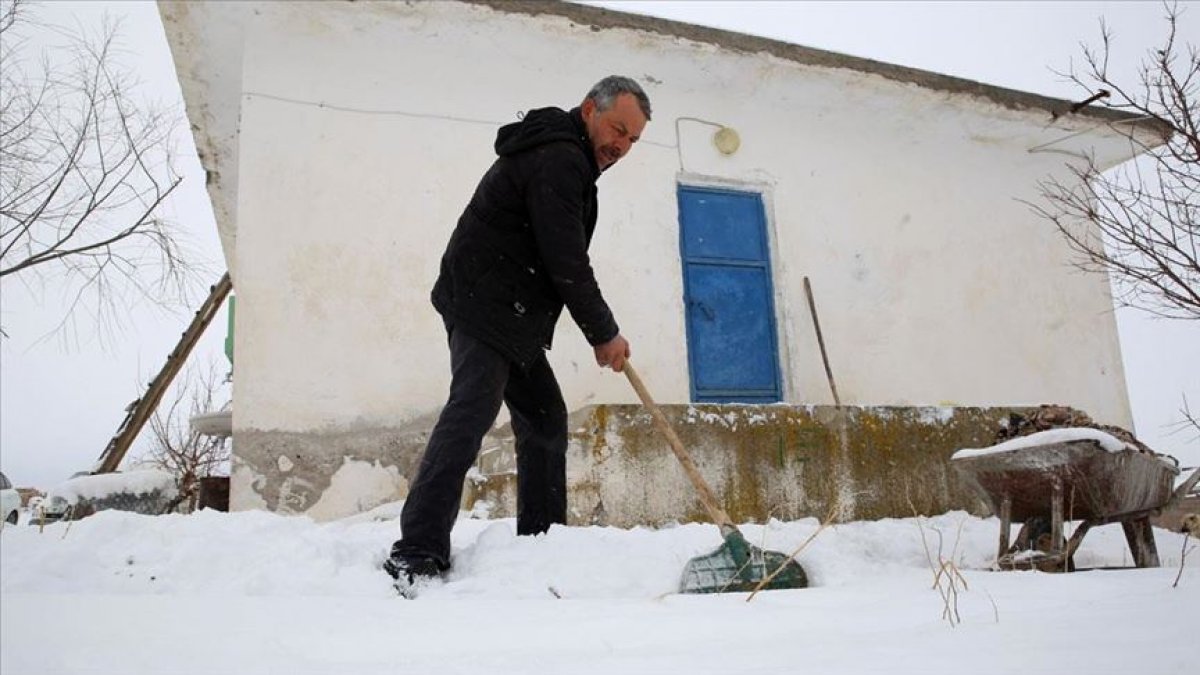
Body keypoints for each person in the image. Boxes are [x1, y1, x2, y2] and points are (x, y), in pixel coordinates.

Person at [384, 76, 652, 586]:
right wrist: (604, 333)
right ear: (589, 109)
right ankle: (416, 550)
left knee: (545, 418)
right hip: (484, 300)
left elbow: (556, 256)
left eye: (632, 140)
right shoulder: (559, 157)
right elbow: (566, 261)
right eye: (618, 129)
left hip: (512, 310)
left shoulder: (569, 157)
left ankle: (542, 542)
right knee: (472, 411)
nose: (621, 146)